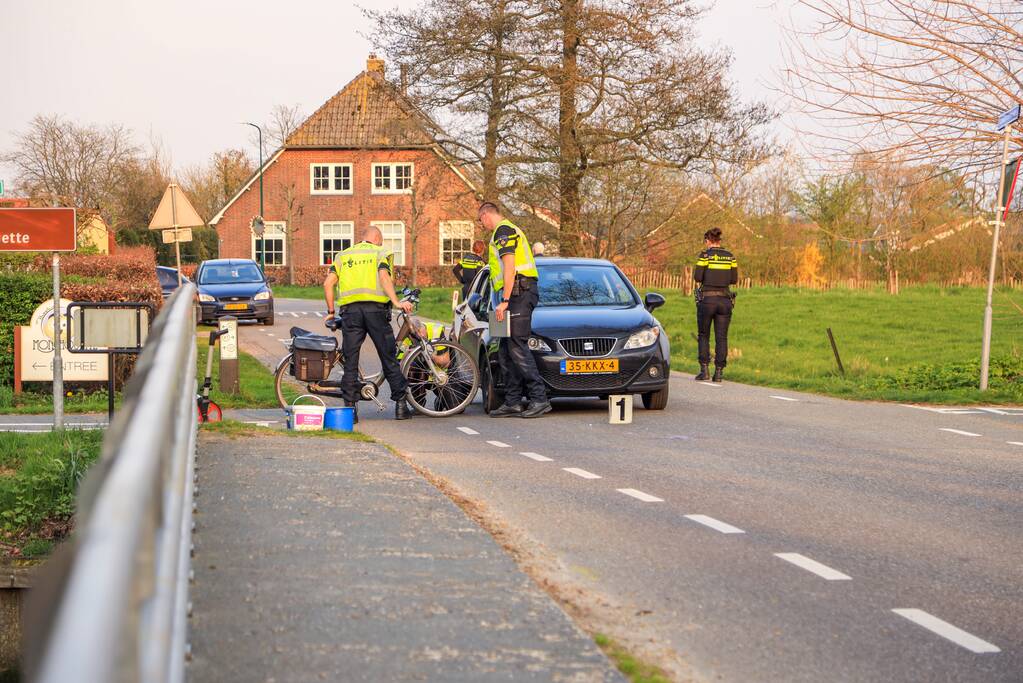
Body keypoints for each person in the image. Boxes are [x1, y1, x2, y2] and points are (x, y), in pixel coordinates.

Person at [323, 225, 415, 420]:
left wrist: (331, 312)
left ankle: (350, 410)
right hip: (376, 311)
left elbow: (327, 283)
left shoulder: (343, 255)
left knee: (351, 361)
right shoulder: (381, 253)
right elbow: (384, 277)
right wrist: (397, 302)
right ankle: (400, 406)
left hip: (350, 313)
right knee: (388, 357)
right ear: (377, 239)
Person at [478, 202, 551, 418]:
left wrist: (506, 300)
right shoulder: (504, 231)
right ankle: (512, 401)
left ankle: (539, 399)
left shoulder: (504, 230)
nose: (482, 224)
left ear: (485, 215)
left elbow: (509, 266)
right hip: (507, 295)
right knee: (504, 348)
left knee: (517, 346)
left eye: (480, 220)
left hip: (518, 294)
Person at [693, 227, 738, 382]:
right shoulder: (730, 256)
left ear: (708, 241)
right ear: (719, 240)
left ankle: (704, 370)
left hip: (707, 300)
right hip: (725, 300)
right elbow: (733, 280)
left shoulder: (705, 256)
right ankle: (718, 373)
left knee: (704, 335)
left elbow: (697, 277)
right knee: (721, 337)